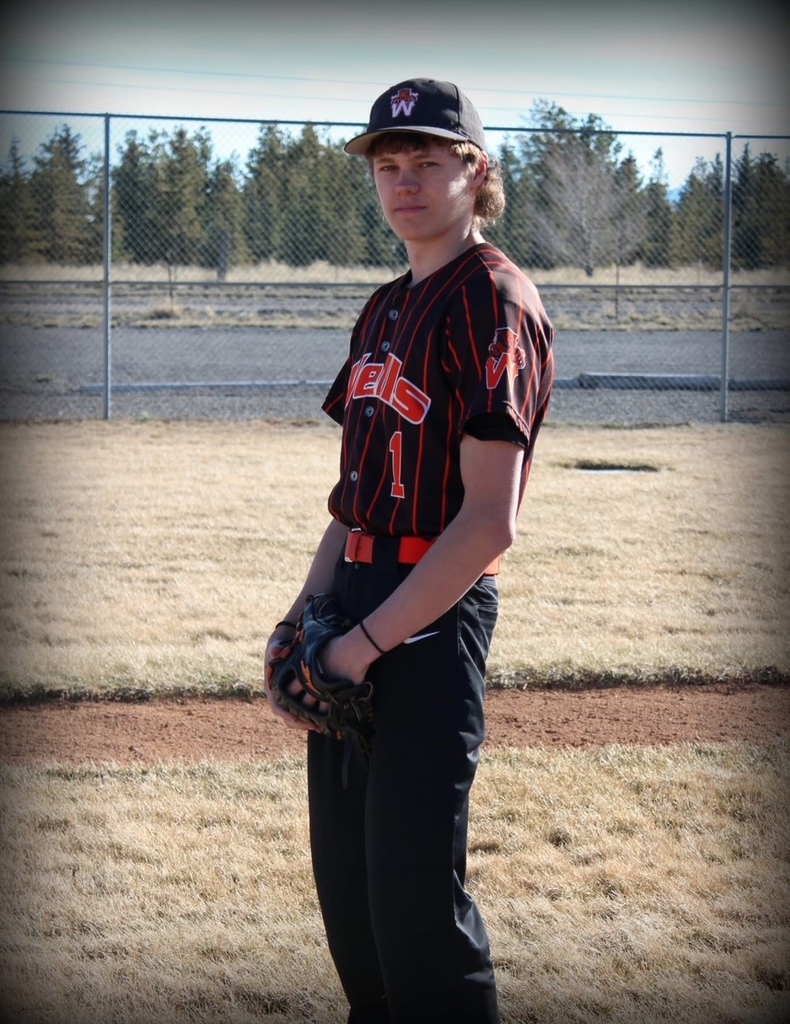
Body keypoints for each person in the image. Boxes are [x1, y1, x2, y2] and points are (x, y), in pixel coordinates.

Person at [264, 78, 554, 1024]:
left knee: (416, 910)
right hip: (358, 594)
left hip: (430, 611)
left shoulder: (493, 301)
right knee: (353, 908)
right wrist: (301, 619)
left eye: (428, 161)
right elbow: (352, 502)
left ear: (476, 171)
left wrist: (362, 646)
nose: (405, 182)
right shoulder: (385, 308)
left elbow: (489, 523)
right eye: (389, 165)